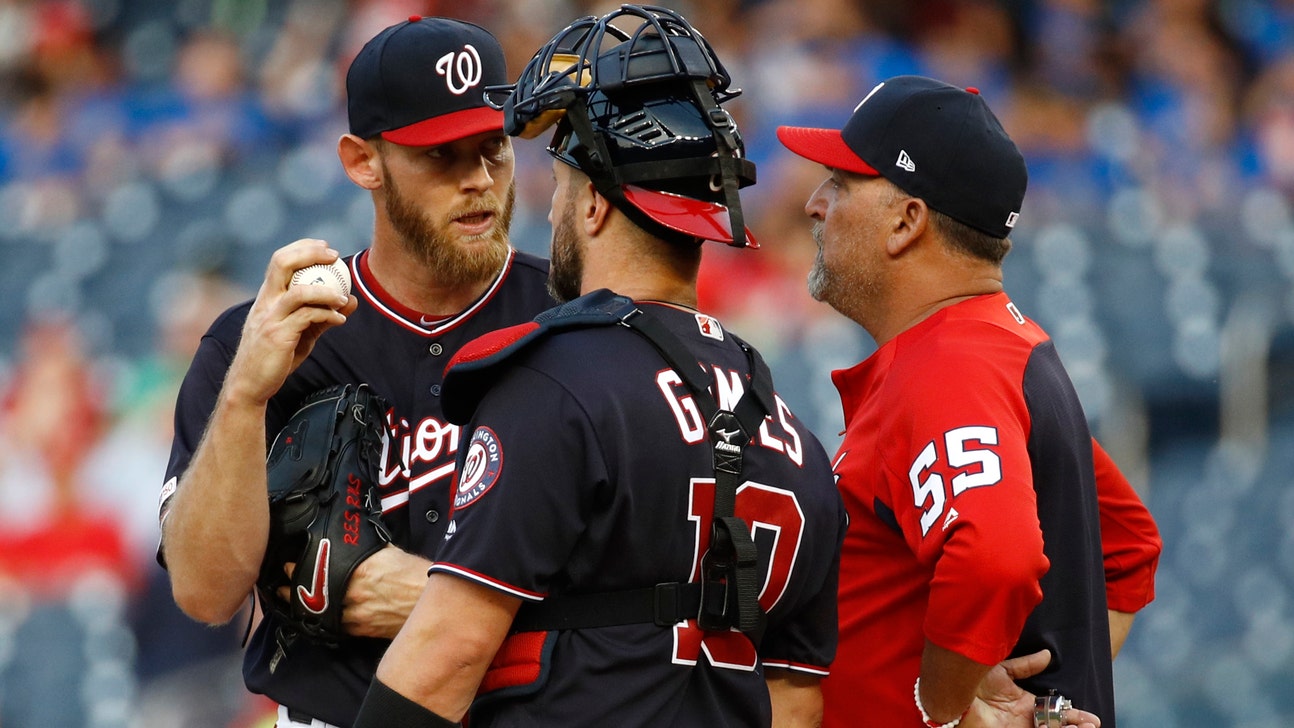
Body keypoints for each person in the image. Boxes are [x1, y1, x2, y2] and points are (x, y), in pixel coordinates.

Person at [349, 6, 847, 727]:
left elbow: (448, 652)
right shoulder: (790, 432)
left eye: (561, 191)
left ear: (593, 207)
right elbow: (796, 700)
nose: (551, 215)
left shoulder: (554, 385)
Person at [157, 16, 556, 728]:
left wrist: (447, 599)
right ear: (362, 161)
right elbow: (204, 594)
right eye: (440, 155)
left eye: (492, 147)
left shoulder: (572, 321)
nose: (477, 180)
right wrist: (247, 396)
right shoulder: (267, 339)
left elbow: (656, 573)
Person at [776, 75, 1163, 728]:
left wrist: (944, 709)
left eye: (840, 184)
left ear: (906, 222)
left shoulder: (950, 366)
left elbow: (995, 559)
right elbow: (1127, 548)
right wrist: (1052, 699)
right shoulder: (999, 346)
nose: (814, 204)